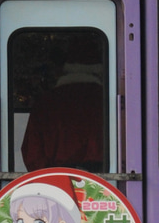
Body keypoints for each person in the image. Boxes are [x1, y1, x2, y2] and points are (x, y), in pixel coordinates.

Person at [21, 36, 105, 172]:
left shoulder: (45, 103)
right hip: (104, 182)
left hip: (57, 179)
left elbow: (32, 154)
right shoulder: (107, 101)